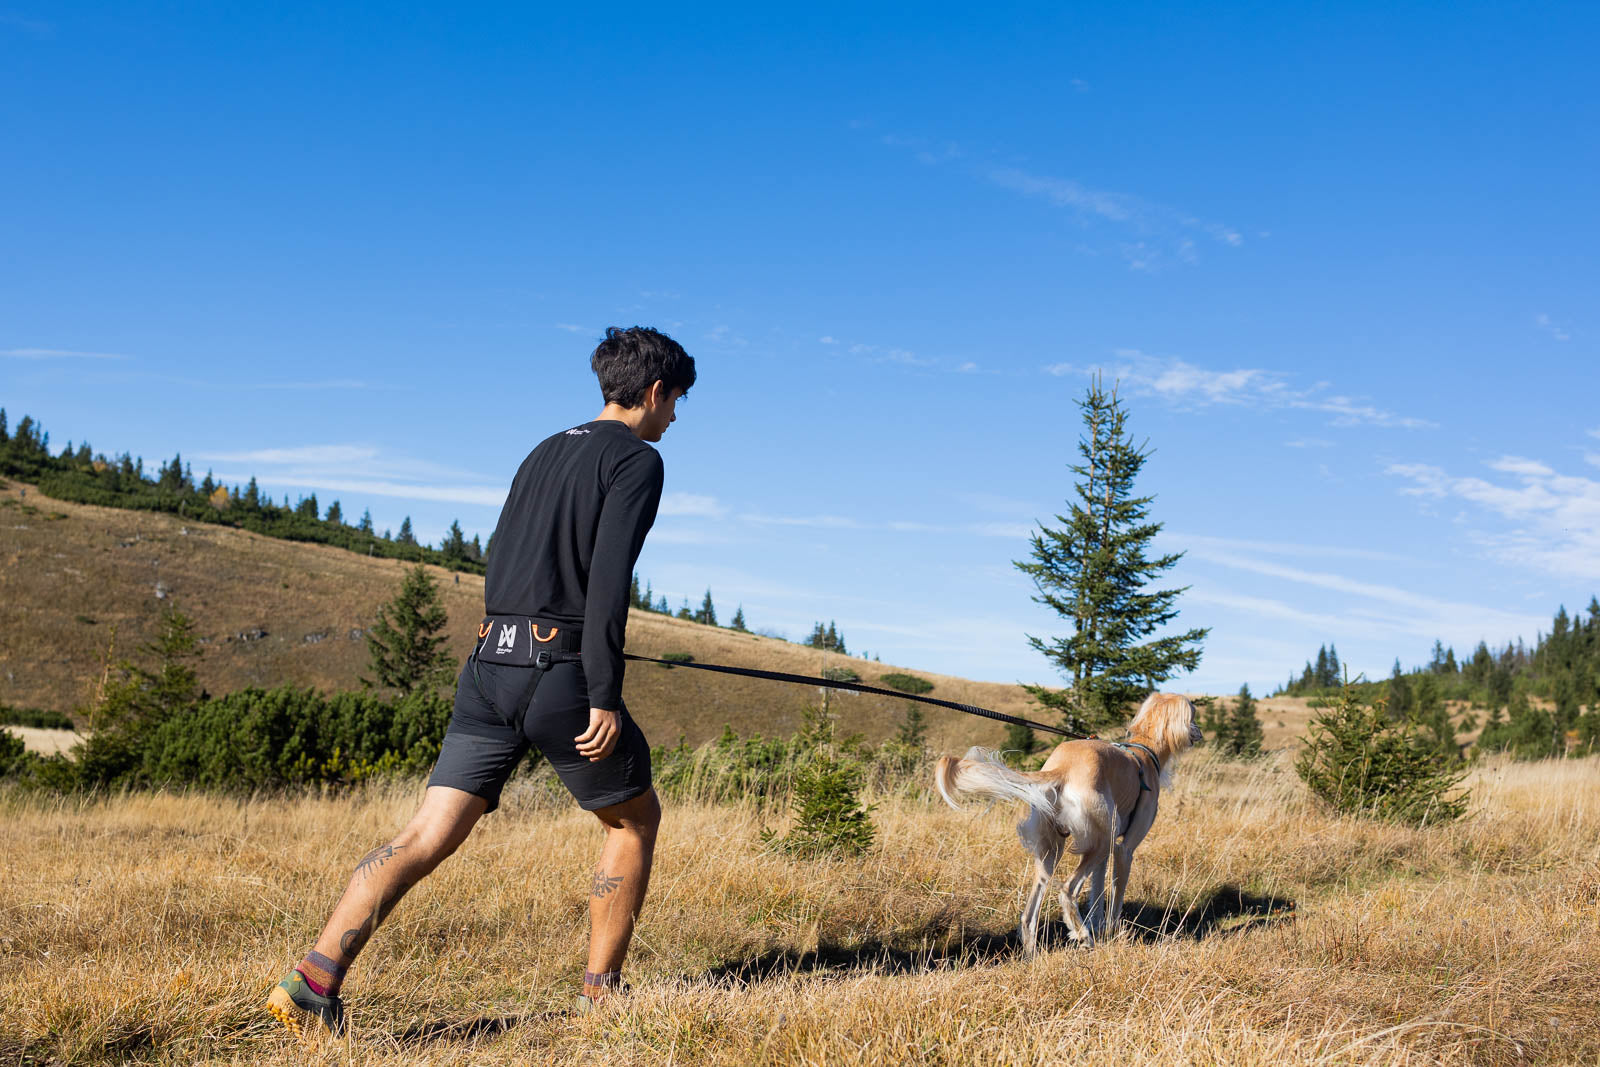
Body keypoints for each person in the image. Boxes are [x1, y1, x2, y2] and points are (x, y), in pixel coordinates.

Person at [266, 326, 695, 1037]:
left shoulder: (542, 450)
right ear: (654, 392)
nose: (675, 417)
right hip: (559, 676)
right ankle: (601, 995)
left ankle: (313, 982)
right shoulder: (638, 460)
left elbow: (510, 562)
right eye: (676, 401)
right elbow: (609, 583)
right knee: (633, 819)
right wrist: (603, 693)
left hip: (488, 665)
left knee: (424, 833)